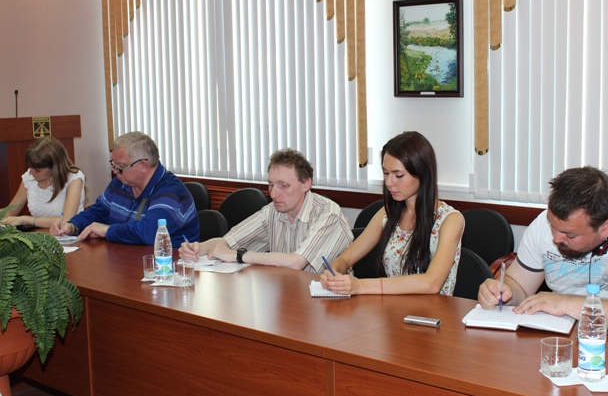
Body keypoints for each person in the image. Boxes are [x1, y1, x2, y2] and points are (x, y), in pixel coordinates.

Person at [478, 166, 608, 337]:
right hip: (565, 337)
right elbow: (519, 286)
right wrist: (502, 291)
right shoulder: (544, 224)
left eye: (569, 235)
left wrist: (565, 304)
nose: (556, 238)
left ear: (606, 227)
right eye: (552, 226)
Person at [320, 131, 464, 295]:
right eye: (386, 173)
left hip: (434, 310)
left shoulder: (450, 219)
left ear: (422, 173)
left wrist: (360, 286)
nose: (389, 183)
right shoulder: (387, 213)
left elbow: (431, 283)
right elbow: (345, 259)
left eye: (398, 175)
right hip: (392, 306)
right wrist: (334, 272)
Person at [178, 148, 352, 273]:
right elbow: (228, 242)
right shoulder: (272, 211)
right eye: (271, 185)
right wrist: (197, 248)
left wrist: (238, 255)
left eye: (283, 186)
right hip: (288, 294)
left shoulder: (328, 214)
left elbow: (296, 262)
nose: (274, 194)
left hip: (331, 301)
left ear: (306, 183)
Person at [51, 131, 199, 246]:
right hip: (126, 260)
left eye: (121, 166)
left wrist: (107, 230)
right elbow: (98, 212)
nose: (115, 171)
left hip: (169, 267)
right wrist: (72, 226)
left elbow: (149, 232)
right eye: (113, 165)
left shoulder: (172, 192)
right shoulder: (121, 182)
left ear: (143, 165)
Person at [2, 136, 85, 229]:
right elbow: (10, 211)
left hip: (68, 236)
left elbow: (66, 220)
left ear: (54, 167)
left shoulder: (74, 178)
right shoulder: (29, 178)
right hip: (39, 235)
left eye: (37, 170)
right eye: (30, 167)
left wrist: (25, 220)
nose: (31, 172)